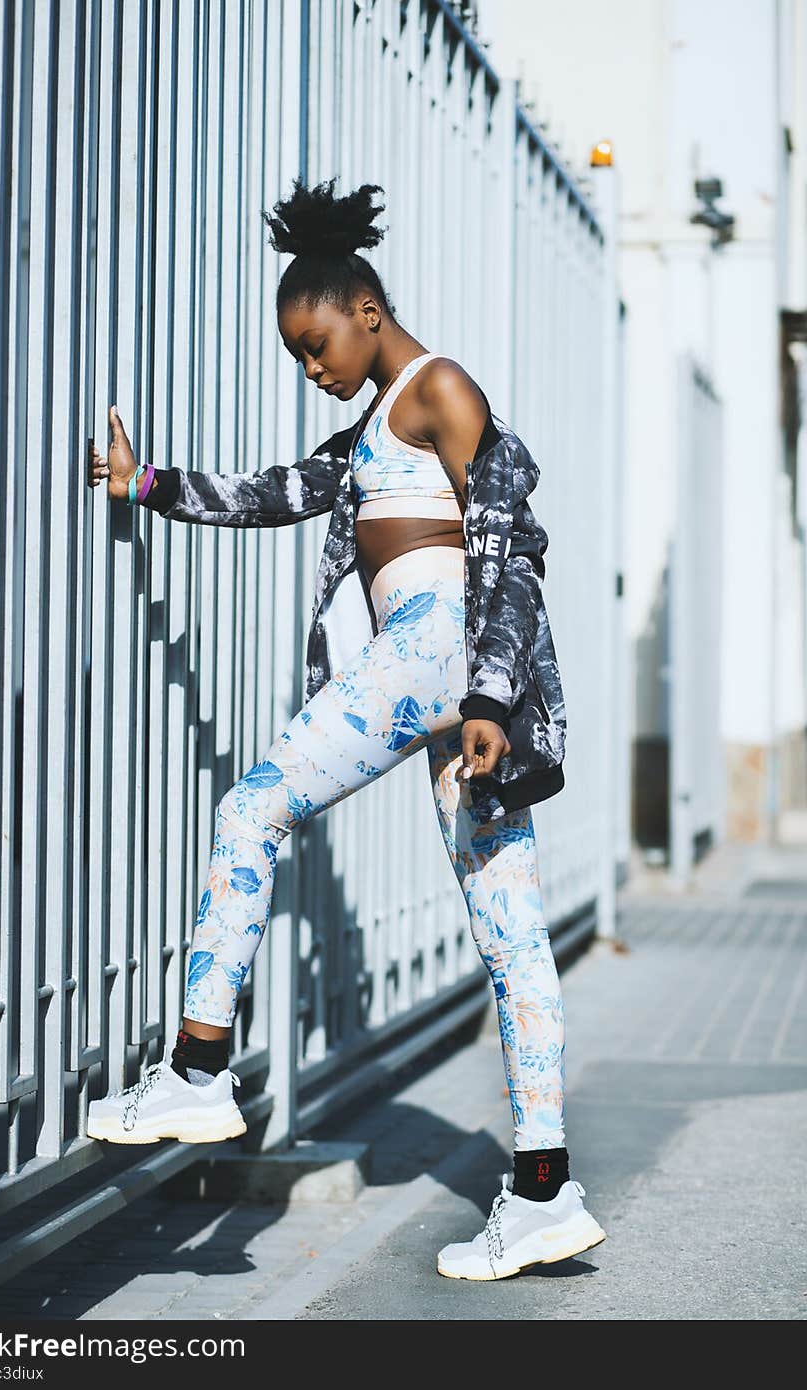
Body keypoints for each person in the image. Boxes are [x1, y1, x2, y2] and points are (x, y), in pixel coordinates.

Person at [84, 176, 605, 1280]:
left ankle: (198, 1064)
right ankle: (545, 1195)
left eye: (317, 344)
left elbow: (513, 542)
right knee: (509, 930)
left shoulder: (436, 386)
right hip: (452, 686)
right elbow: (280, 491)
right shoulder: (373, 428)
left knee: (252, 805)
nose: (314, 368)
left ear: (365, 310)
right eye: (298, 358)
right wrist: (152, 483)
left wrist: (490, 698)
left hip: (436, 656)